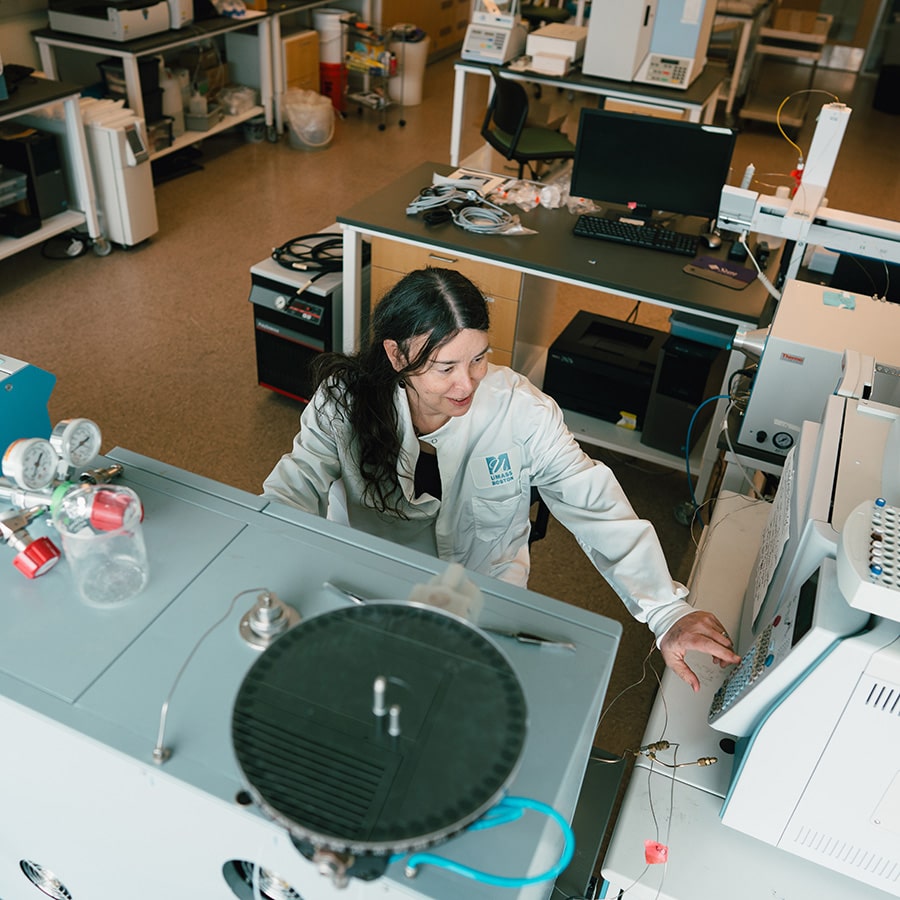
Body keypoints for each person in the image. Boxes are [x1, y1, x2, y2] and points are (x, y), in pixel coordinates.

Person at [263, 267, 740, 690]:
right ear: (395, 354)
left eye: (478, 359)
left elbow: (592, 502)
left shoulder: (522, 411)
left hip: (481, 599)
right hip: (366, 587)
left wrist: (666, 610)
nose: (466, 384)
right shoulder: (343, 402)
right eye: (444, 367)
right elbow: (292, 489)